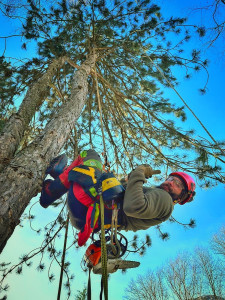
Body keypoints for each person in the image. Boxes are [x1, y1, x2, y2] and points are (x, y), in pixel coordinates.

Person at [40, 149, 196, 245]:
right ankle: (60, 177)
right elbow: (123, 193)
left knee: (90, 155)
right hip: (89, 215)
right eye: (170, 178)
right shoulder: (154, 196)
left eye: (178, 184)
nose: (170, 182)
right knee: (97, 175)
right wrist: (128, 180)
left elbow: (133, 206)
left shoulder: (165, 200)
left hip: (91, 207)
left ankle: (54, 187)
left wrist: (139, 172)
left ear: (181, 197)